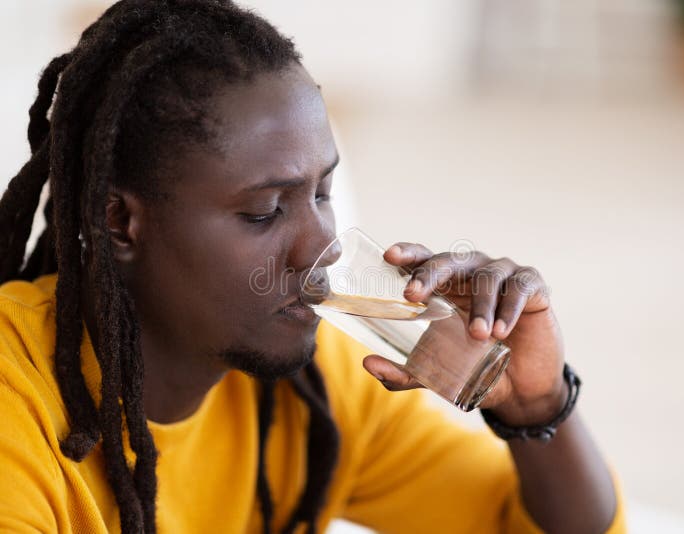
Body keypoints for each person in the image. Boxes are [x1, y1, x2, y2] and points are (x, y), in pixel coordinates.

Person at [0, 1, 625, 533]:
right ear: (119, 223)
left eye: (323, 193)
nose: (320, 243)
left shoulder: (319, 387)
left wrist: (537, 406)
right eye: (267, 211)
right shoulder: (15, 409)